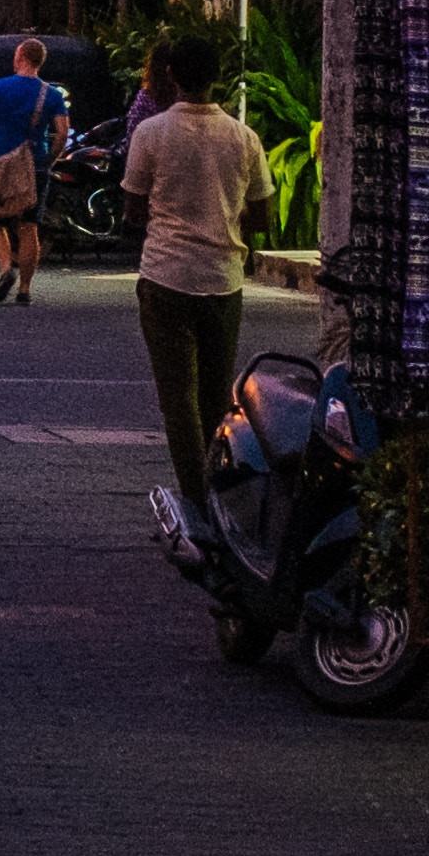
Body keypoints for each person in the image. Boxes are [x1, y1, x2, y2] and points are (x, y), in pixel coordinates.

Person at [124, 30, 274, 510]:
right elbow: (263, 217)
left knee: (177, 398)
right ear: (218, 78)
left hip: (166, 277)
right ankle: (221, 491)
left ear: (171, 74)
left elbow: (132, 208)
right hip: (223, 279)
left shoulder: (150, 134)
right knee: (216, 394)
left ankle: (196, 496)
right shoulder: (243, 137)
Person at [0, 36, 71, 305]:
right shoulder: (51, 94)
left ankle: (7, 268)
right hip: (34, 162)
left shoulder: (0, 87)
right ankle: (25, 290)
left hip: (0, 159)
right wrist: (49, 159)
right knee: (29, 226)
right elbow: (62, 132)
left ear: (20, 57)